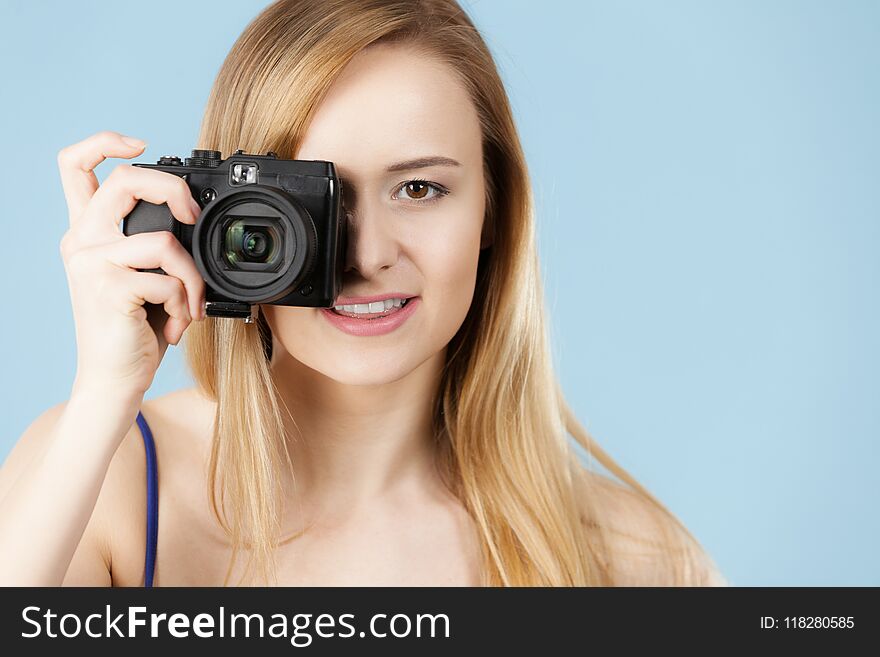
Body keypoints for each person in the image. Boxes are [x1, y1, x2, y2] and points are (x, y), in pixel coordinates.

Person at [0, 0, 726, 587]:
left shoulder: (632, 559)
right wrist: (101, 395)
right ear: (224, 218)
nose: (369, 254)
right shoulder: (102, 478)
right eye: (315, 199)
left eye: (419, 188)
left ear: (493, 214)